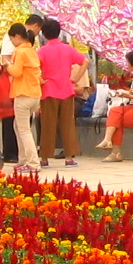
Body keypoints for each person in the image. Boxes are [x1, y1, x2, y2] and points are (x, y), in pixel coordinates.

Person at [35, 19, 85, 168]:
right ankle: (69, 157)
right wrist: (75, 78)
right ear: (59, 32)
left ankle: (45, 158)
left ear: (44, 34)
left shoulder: (42, 51)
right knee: (68, 124)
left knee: (47, 125)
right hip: (67, 90)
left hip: (49, 90)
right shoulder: (68, 49)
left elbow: (34, 68)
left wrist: (40, 80)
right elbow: (85, 61)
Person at [5, 23, 42, 176]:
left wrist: (8, 65)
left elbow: (16, 72)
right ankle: (23, 160)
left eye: (12, 39)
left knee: (24, 130)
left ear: (17, 36)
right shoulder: (31, 50)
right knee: (19, 126)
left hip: (23, 94)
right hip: (35, 94)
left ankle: (32, 163)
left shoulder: (19, 51)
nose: (12, 42)